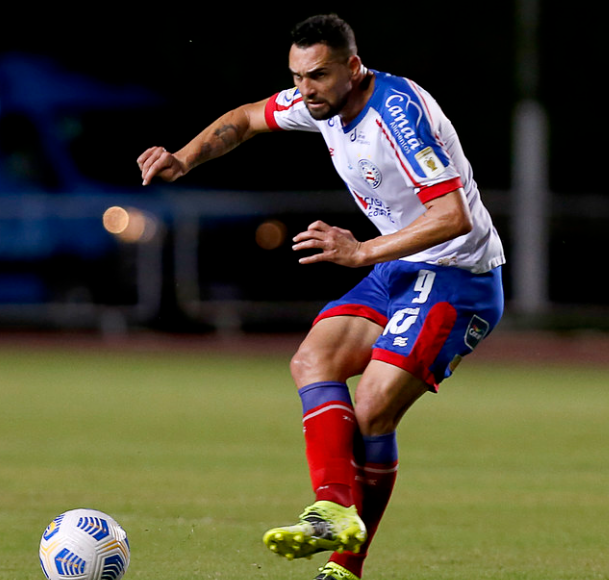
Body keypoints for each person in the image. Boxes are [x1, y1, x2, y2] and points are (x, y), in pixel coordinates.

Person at [137, 13, 505, 580]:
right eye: (298, 76)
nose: (305, 89)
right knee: (312, 359)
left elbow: (451, 216)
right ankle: (332, 507)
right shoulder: (320, 103)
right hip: (400, 264)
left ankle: (344, 566)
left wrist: (362, 252)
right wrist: (185, 158)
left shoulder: (396, 114)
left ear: (353, 68)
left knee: (374, 408)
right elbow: (243, 120)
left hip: (459, 275)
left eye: (319, 76)